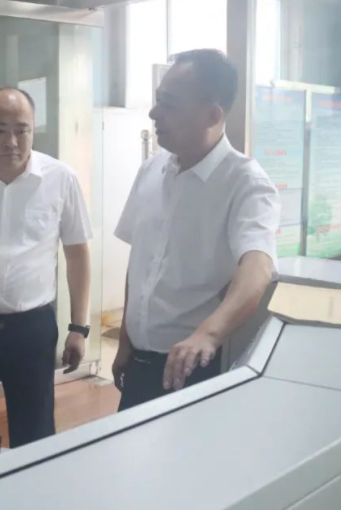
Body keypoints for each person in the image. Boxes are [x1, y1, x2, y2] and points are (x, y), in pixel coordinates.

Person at [113, 49, 280, 411]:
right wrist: (125, 339)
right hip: (138, 361)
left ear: (212, 115)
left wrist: (207, 334)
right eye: (158, 100)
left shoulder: (246, 184)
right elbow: (139, 263)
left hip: (192, 367)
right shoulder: (151, 171)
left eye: (169, 104)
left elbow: (257, 268)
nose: (154, 113)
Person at [0, 87, 93, 448]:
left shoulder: (60, 178)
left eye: (22, 130)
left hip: (31, 327)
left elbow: (77, 254)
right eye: (0, 130)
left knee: (35, 428)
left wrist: (79, 327)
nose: (12, 142)